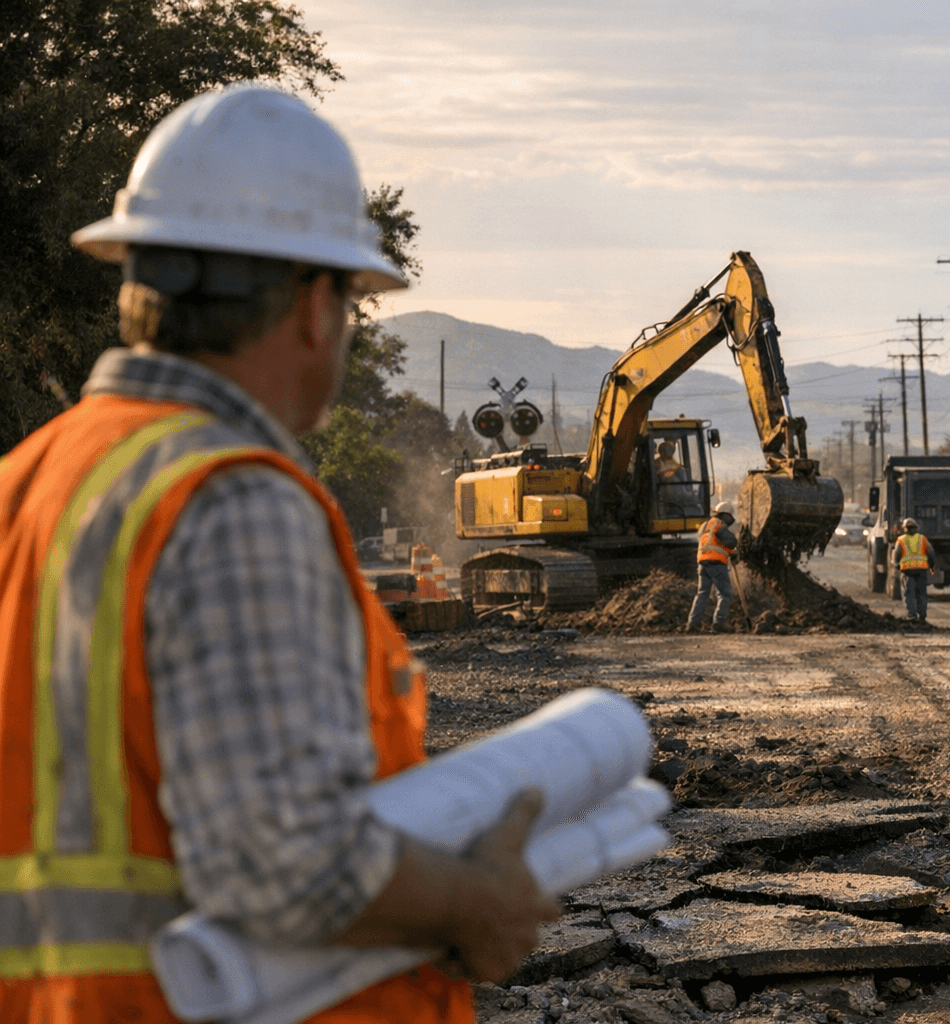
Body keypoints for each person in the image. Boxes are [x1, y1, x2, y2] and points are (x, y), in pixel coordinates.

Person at [0, 86, 561, 1024]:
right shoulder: (229, 496)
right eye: (350, 303)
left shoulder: (27, 479)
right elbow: (282, 859)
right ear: (312, 307)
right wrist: (475, 903)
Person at [688, 501, 738, 632]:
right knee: (724, 593)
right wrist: (735, 548)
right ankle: (719, 623)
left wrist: (729, 553)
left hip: (702, 563)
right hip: (716, 564)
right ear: (726, 515)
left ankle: (692, 623)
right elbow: (730, 541)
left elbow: (715, 543)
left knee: (702, 593)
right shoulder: (719, 524)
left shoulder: (705, 526)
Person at [896, 517, 936, 623]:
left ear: (905, 528)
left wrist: (897, 566)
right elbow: (931, 553)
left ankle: (912, 615)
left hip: (907, 571)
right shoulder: (922, 539)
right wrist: (932, 566)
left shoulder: (901, 540)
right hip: (922, 570)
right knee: (921, 593)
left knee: (909, 593)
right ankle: (922, 616)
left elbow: (896, 556)